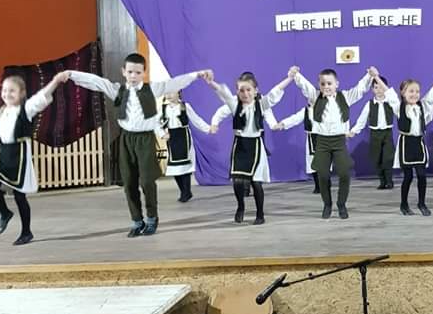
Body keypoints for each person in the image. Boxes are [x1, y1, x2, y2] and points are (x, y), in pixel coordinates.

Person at [69, 53, 209, 237]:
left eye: (137, 72)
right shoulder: (117, 90)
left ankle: (151, 218)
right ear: (123, 72)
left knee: (147, 181)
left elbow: (174, 83)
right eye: (130, 72)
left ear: (144, 72)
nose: (133, 76)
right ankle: (137, 220)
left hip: (145, 139)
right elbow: (96, 82)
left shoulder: (152, 89)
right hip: (126, 139)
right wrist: (71, 74)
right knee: (129, 183)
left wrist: (197, 74)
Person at [0, 67, 68, 245]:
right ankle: (5, 213)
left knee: (19, 196)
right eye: (5, 90)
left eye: (12, 90)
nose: (7, 94)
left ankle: (26, 232)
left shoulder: (26, 110)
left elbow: (41, 97)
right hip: (2, 154)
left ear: (22, 93)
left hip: (19, 155)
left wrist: (56, 80)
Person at [292, 64, 378, 219]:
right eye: (323, 84)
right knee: (323, 175)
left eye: (329, 83)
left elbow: (359, 90)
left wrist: (369, 76)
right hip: (322, 142)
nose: (326, 87)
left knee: (344, 173)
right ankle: (327, 204)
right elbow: (305, 86)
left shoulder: (345, 97)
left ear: (336, 84)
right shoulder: (316, 97)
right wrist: (296, 75)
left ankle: (341, 203)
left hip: (339, 141)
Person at [207, 70, 292, 224]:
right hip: (240, 145)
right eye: (241, 90)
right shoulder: (235, 105)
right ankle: (240, 206)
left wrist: (290, 78)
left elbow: (275, 93)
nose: (245, 94)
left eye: (248, 90)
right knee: (237, 181)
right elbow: (223, 97)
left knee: (256, 182)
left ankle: (260, 214)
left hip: (256, 145)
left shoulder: (261, 104)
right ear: (237, 92)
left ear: (255, 90)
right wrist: (214, 123)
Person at [382, 77, 433, 216]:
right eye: (411, 91)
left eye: (417, 91)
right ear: (403, 93)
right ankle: (403, 204)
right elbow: (388, 93)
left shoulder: (421, 107)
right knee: (408, 176)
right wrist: (375, 77)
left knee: (422, 175)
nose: (415, 94)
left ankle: (422, 203)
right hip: (406, 144)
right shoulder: (399, 107)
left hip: (419, 143)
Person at [158, 91, 213, 202]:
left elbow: (196, 120)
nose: (169, 95)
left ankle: (186, 192)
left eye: (172, 92)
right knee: (174, 167)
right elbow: (155, 122)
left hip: (184, 137)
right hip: (172, 138)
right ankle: (183, 190)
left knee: (185, 166)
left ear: (178, 93)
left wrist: (208, 128)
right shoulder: (163, 109)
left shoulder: (185, 106)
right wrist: (162, 133)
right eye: (167, 93)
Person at [349, 74, 396, 190]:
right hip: (375, 134)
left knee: (387, 158)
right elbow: (362, 119)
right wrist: (353, 131)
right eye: (376, 87)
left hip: (387, 133)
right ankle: (382, 181)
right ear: (372, 89)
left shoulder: (391, 102)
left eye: (381, 87)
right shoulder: (369, 104)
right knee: (376, 158)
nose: (379, 90)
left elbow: (401, 112)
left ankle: (389, 181)